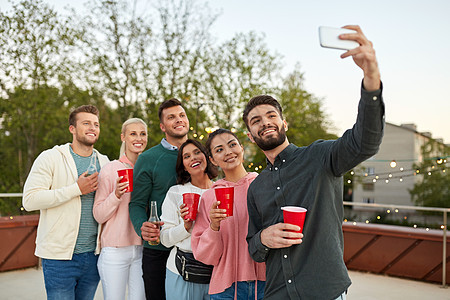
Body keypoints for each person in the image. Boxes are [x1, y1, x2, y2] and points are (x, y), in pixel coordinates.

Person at [243, 25, 384, 300]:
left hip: (324, 292)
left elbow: (365, 141)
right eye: (256, 120)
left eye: (271, 115)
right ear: (250, 136)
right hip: (277, 294)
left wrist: (371, 76)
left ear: (284, 122)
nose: (265, 122)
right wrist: (263, 238)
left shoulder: (320, 156)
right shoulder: (256, 187)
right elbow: (253, 246)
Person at [22, 105, 110, 300]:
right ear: (72, 129)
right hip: (59, 258)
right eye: (86, 123)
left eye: (96, 124)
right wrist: (76, 189)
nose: (92, 128)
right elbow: (29, 200)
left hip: (94, 256)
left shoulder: (105, 162)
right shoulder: (50, 158)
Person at [191, 129, 266, 299]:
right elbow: (204, 255)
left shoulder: (263, 186)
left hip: (266, 283)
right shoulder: (210, 196)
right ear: (212, 160)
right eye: (219, 150)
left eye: (232, 145)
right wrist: (214, 227)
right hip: (226, 288)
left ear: (241, 148)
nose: (228, 152)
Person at [129, 98, 190, 300]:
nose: (178, 120)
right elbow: (137, 204)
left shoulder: (202, 155)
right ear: (163, 126)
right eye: (171, 117)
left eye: (182, 115)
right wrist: (142, 227)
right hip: (159, 249)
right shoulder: (148, 158)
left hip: (195, 248)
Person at [93, 118, 148, 300]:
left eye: (142, 134)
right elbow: (99, 214)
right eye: (133, 133)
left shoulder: (147, 170)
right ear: (123, 137)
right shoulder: (111, 169)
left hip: (141, 250)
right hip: (115, 252)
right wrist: (116, 195)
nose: (138, 138)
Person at [160, 139, 218, 300]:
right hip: (181, 270)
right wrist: (185, 226)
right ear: (183, 166)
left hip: (216, 272)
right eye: (186, 156)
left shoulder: (220, 190)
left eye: (197, 152)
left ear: (207, 156)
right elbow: (164, 239)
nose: (193, 158)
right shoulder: (176, 192)